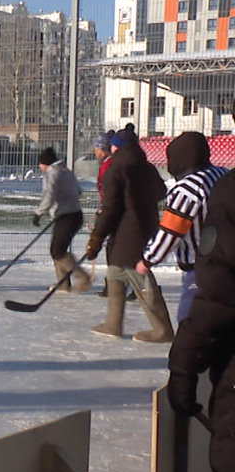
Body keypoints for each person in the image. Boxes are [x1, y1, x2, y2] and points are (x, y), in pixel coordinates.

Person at [166, 170, 235, 472]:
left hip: (198, 278)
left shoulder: (194, 188)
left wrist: (184, 363)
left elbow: (221, 291)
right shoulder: (215, 179)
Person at [86, 127, 171, 341]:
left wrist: (96, 238)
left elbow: (111, 208)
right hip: (145, 226)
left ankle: (162, 329)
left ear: (116, 147)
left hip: (127, 233)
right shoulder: (147, 167)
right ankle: (113, 324)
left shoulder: (116, 169)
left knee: (138, 274)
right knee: (115, 272)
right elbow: (162, 191)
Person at [140, 131, 227, 322]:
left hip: (201, 269)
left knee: (191, 323)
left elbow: (171, 231)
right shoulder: (222, 174)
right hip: (228, 262)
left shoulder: (187, 189)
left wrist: (147, 259)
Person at [32, 146, 90, 292]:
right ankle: (63, 283)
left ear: (44, 163)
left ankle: (82, 277)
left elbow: (49, 195)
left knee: (57, 250)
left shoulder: (52, 174)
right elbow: (78, 191)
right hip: (75, 215)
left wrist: (39, 213)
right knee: (58, 249)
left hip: (66, 216)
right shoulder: (66, 171)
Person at [92, 131, 116, 298]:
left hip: (113, 211)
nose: (95, 152)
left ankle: (113, 286)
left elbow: (109, 192)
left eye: (96, 148)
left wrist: (104, 208)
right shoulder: (107, 164)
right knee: (114, 250)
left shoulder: (109, 166)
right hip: (110, 208)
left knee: (114, 251)